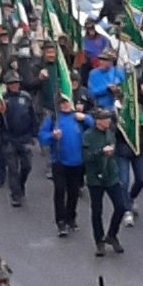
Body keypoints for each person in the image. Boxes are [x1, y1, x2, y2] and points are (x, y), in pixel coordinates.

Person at [38, 94, 93, 236]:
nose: (65, 105)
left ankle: (71, 218)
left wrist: (85, 117)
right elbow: (42, 136)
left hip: (77, 162)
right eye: (61, 103)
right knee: (60, 191)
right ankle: (60, 221)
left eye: (67, 102)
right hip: (59, 162)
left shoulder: (78, 117)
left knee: (74, 192)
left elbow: (96, 126)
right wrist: (52, 136)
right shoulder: (53, 118)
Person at [82, 108, 126, 256]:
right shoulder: (88, 136)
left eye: (109, 119)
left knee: (121, 206)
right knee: (97, 211)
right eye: (105, 119)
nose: (108, 122)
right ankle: (99, 240)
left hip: (111, 176)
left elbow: (114, 153)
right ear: (98, 121)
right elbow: (86, 157)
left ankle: (112, 234)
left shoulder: (110, 134)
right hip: (95, 178)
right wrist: (101, 152)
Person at [0, 70, 37, 207]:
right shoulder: (2, 99)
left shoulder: (26, 97)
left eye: (16, 83)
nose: (14, 86)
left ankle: (21, 184)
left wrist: (34, 134)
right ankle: (15, 195)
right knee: (12, 169)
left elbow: (33, 117)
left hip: (24, 138)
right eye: (11, 83)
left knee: (27, 166)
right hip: (9, 138)